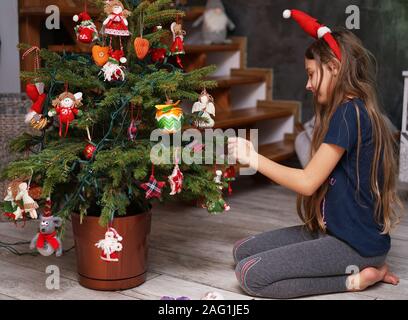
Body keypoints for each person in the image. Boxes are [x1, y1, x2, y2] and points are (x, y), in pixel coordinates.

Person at [227, 9, 402, 299]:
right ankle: (354, 265)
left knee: (251, 276)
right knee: (241, 251)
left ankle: (359, 279)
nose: (307, 85)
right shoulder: (348, 112)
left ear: (334, 67)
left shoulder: (350, 114)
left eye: (311, 74)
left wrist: (254, 159)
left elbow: (308, 181)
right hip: (332, 233)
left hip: (355, 245)